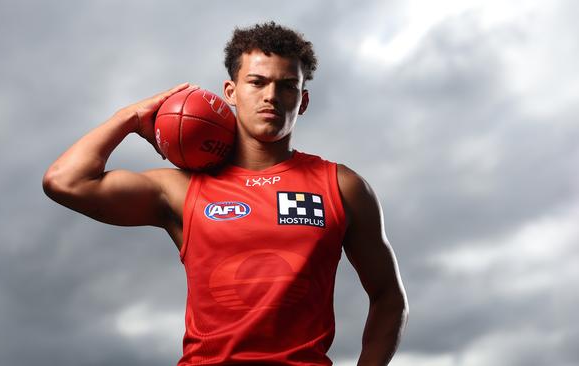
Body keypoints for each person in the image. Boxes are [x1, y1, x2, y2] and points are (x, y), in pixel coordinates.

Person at [43, 21, 408, 366]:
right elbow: (66, 181)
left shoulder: (341, 186)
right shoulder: (183, 188)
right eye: (257, 82)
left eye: (286, 86)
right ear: (230, 92)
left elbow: (389, 298)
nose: (271, 96)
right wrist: (130, 116)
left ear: (303, 100)